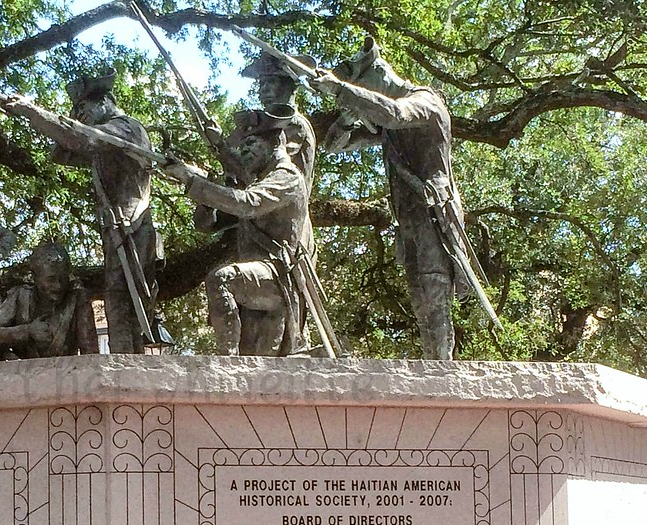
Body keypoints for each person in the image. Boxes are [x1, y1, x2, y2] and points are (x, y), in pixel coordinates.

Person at [313, 37, 477, 360]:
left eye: (365, 87)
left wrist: (341, 91)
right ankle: (433, 365)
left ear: (379, 76)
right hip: (408, 219)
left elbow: (395, 114)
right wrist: (347, 114)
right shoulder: (385, 126)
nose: (365, 97)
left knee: (435, 295)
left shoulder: (426, 102)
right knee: (419, 300)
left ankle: (442, 370)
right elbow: (333, 145)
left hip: (433, 210)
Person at [2, 71, 163, 353]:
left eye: (83, 107)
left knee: (124, 299)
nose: (80, 114)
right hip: (117, 231)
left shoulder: (125, 128)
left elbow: (82, 142)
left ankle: (129, 362)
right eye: (76, 110)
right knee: (116, 297)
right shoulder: (101, 138)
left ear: (104, 102)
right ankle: (126, 360)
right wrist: (60, 120)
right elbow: (60, 153)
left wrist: (32, 112)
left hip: (132, 227)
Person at [162, 108, 312, 356]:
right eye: (241, 146)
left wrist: (192, 181)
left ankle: (226, 361)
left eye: (250, 143)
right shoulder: (258, 182)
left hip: (278, 276)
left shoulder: (287, 178)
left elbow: (246, 204)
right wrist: (206, 195)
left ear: (274, 143)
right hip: (256, 276)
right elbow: (206, 225)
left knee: (221, 278)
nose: (243, 151)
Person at [239, 52, 317, 186]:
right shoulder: (265, 124)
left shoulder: (294, 123)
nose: (263, 89)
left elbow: (267, 163)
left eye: (271, 82)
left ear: (289, 86)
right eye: (262, 84)